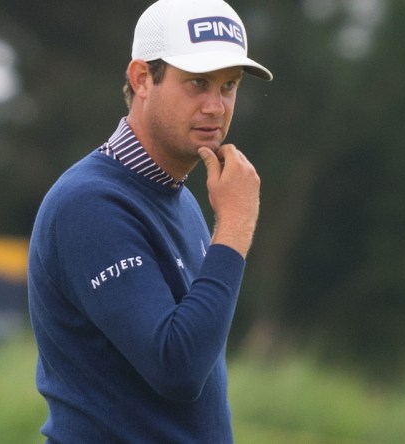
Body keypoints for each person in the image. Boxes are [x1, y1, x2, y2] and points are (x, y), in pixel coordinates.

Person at [27, 0, 272, 441]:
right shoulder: (89, 204)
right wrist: (235, 225)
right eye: (197, 82)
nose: (216, 107)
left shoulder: (181, 199)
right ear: (142, 78)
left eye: (229, 85)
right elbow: (176, 367)